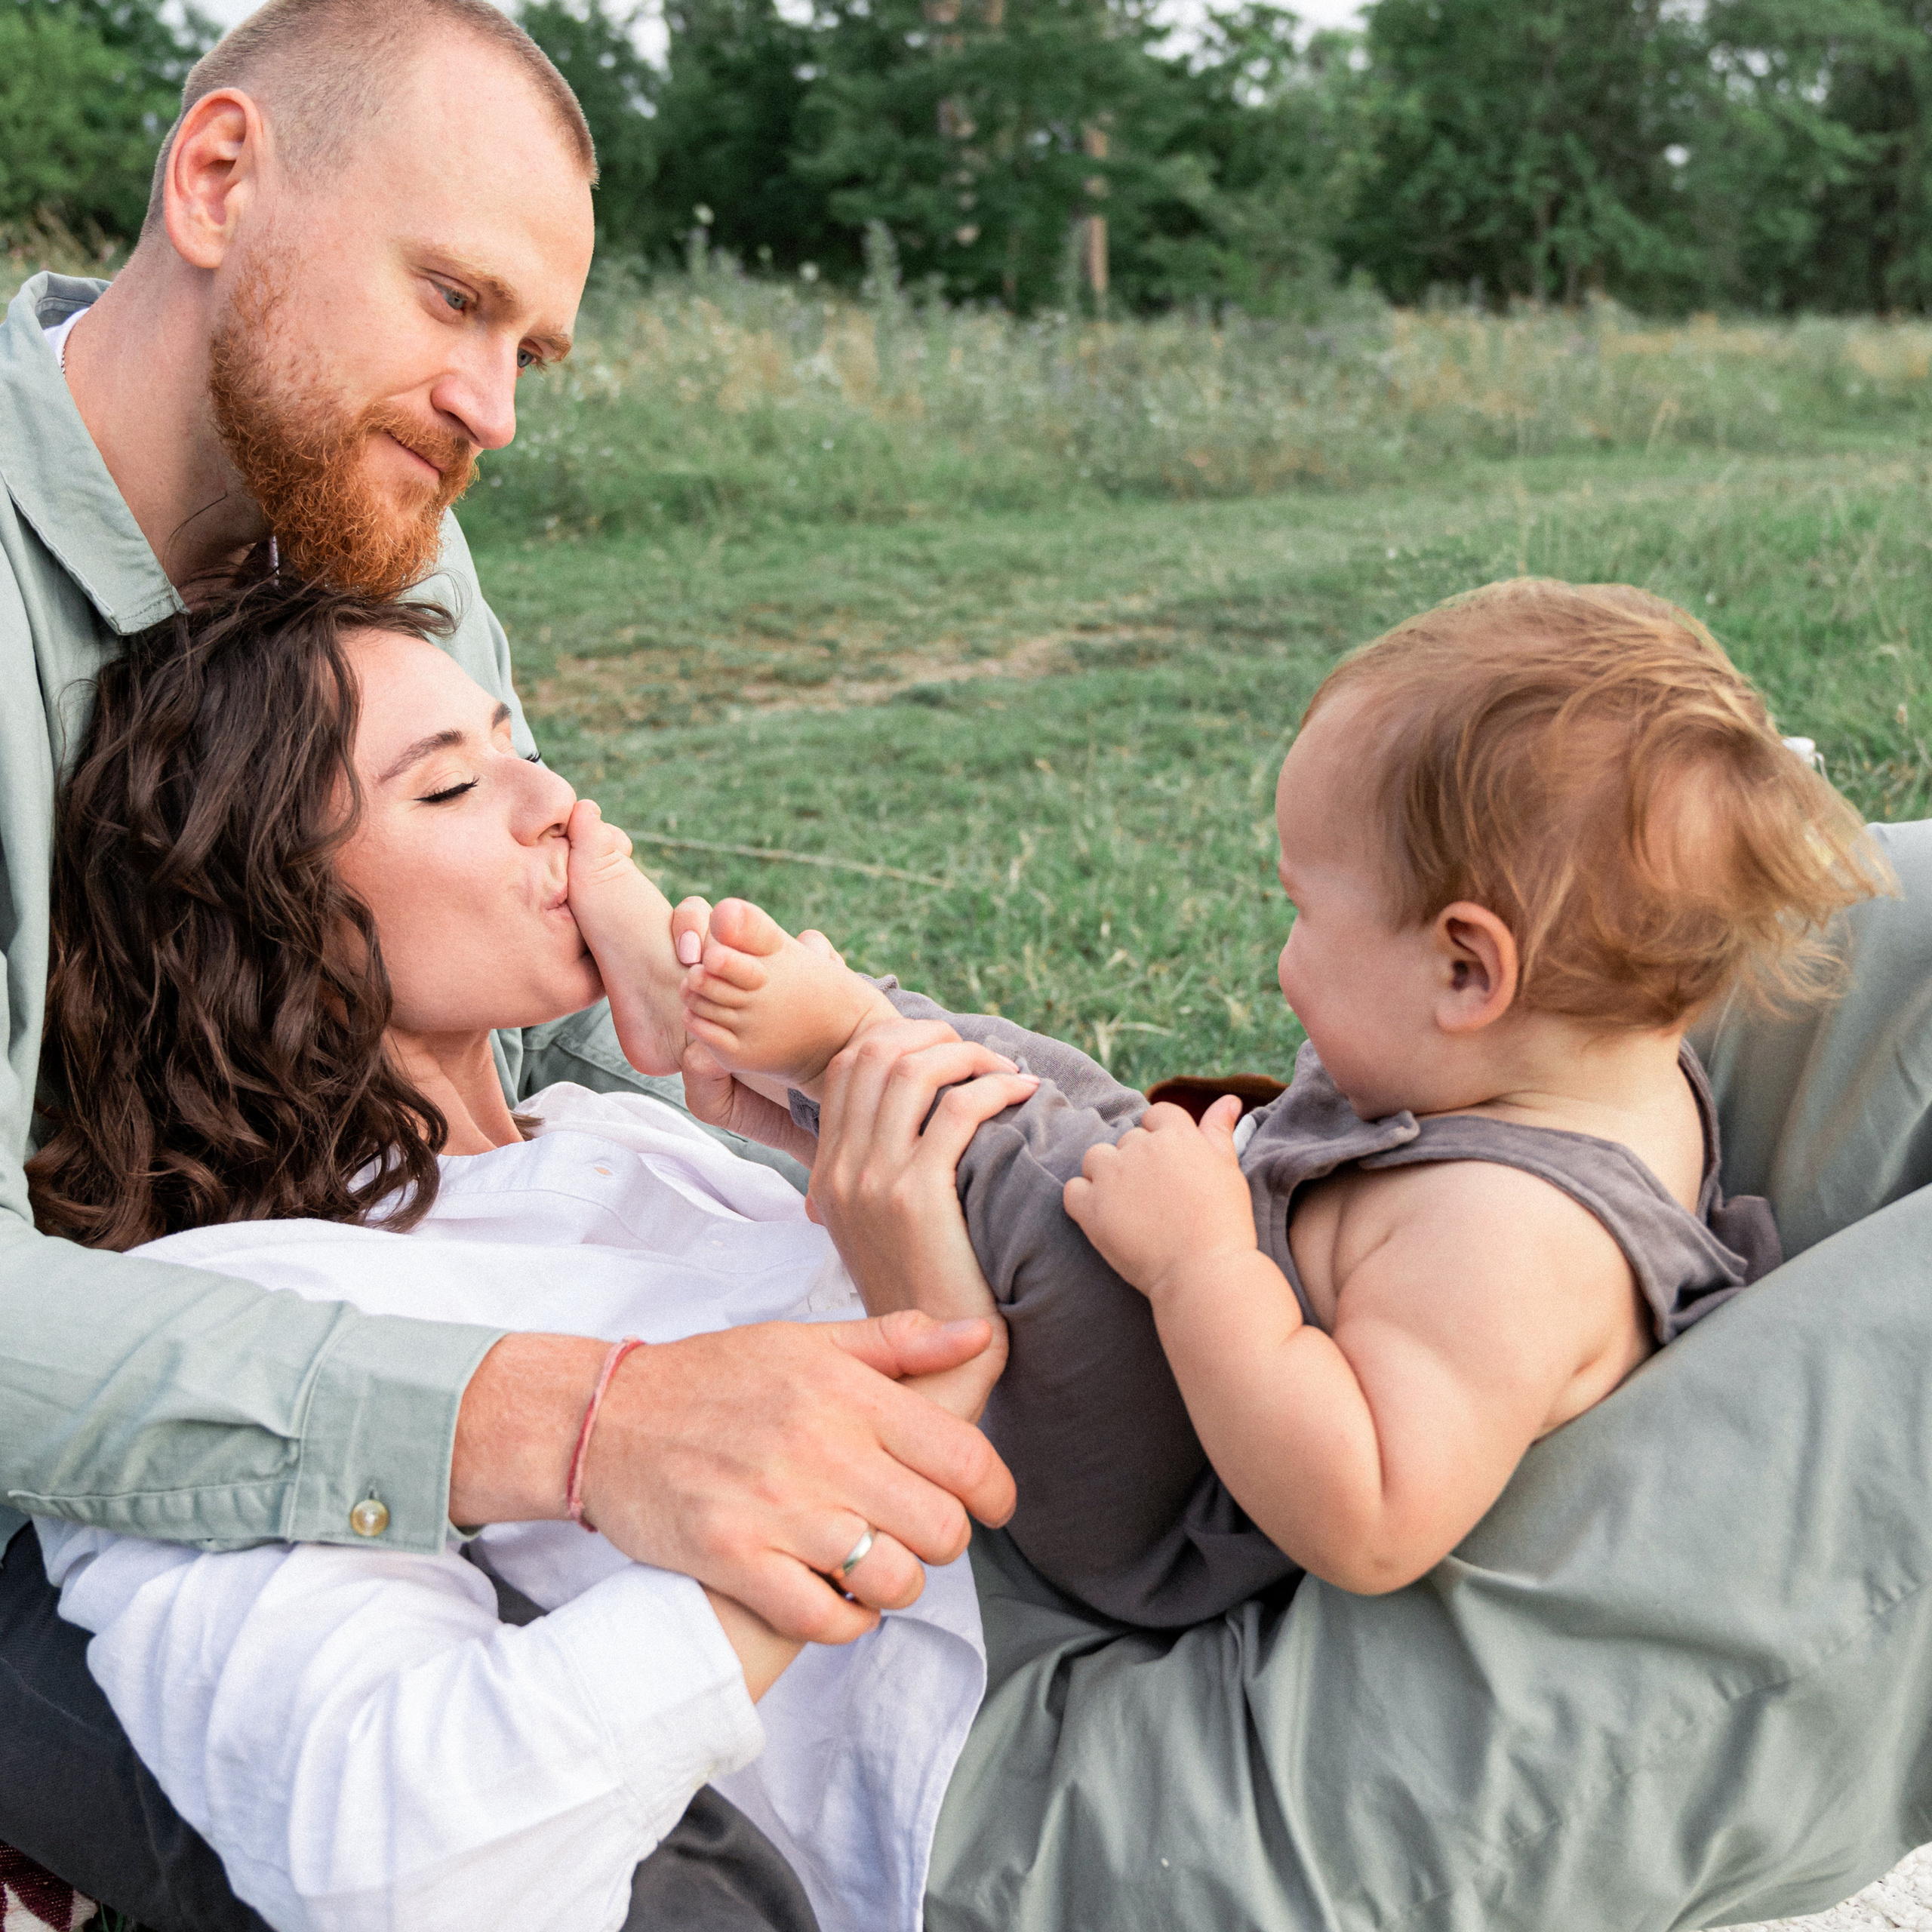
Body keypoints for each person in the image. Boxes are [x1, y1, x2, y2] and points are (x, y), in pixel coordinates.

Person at [0, 0, 1011, 1919]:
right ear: (216, 177)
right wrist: (586, 1413)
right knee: (652, 1887)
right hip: (51, 1434)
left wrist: (676, 1003)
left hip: (302, 1279)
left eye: (527, 344)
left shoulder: (374, 509)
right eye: (453, 298)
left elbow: (487, 993)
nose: (498, 407)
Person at [26, 574, 1033, 1932]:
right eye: (448, 790)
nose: (557, 804)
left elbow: (1060, 1176)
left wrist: (800, 1050)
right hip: (1040, 1793)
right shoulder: (250, 1314)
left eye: (520, 748)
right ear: (270, 914)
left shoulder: (620, 1125)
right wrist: (860, 1482)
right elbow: (394, 1856)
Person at [665, 579, 1890, 1624]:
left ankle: (845, 1048)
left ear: (1468, 969)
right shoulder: (1596, 1063)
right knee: (1072, 1100)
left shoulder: (1513, 1244)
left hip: (1170, 1496)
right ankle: (852, 1039)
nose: (1282, 957)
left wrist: (1202, 1267)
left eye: (1304, 911)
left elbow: (1366, 1516)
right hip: (1215, 1319)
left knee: (1034, 1172)